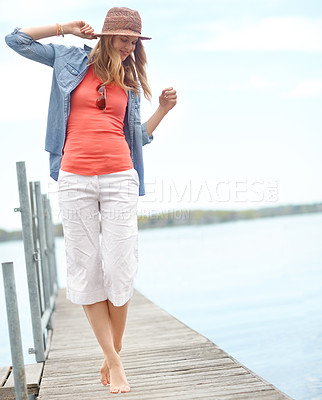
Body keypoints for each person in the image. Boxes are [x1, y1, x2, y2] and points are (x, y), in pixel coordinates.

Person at [5, 7, 177, 394]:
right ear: (104, 36)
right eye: (123, 38)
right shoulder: (70, 59)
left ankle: (110, 355)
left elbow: (138, 138)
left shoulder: (130, 83)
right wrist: (64, 28)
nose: (129, 46)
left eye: (134, 41)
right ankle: (116, 363)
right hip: (74, 177)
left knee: (120, 268)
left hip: (120, 178)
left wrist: (162, 111)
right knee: (84, 269)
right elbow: (15, 39)